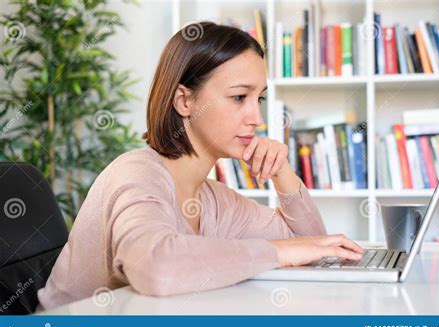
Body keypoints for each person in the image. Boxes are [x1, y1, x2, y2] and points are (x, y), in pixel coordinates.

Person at [37, 21, 363, 311]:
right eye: (239, 97)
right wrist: (277, 252)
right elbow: (156, 268)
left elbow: (314, 247)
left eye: (259, 99)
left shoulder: (214, 200)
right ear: (184, 101)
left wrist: (283, 173)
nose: (257, 119)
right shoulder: (136, 173)